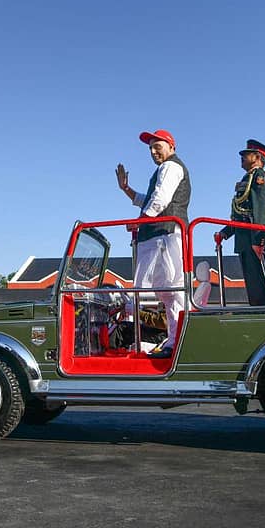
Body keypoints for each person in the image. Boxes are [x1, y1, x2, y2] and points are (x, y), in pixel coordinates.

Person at [116, 129, 191, 358]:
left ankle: (177, 342)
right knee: (168, 293)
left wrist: (139, 222)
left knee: (173, 290)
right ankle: (174, 340)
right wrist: (126, 189)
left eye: (157, 146)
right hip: (160, 235)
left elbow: (160, 200)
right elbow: (147, 200)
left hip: (164, 235)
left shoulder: (171, 167)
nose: (153, 151)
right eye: (150, 148)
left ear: (171, 146)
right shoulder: (163, 169)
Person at [215, 139, 265, 306]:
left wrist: (259, 240)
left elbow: (261, 209)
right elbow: (241, 212)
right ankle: (257, 313)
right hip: (245, 238)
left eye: (246, 154)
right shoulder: (247, 177)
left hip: (255, 237)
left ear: (257, 157)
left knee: (260, 284)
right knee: (253, 286)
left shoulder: (259, 176)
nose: (242, 157)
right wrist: (225, 232)